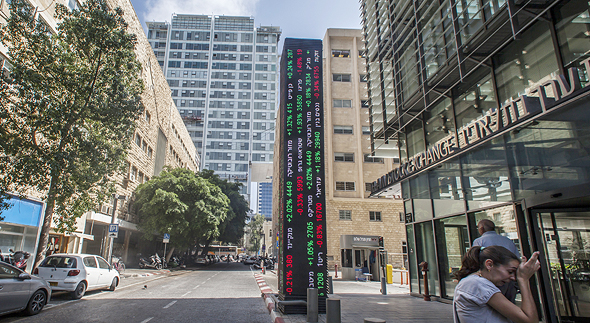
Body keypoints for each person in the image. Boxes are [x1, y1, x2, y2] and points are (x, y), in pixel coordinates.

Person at [453, 246, 540, 323]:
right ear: (489, 265)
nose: (513, 278)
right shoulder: (478, 284)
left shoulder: (472, 282)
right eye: (510, 271)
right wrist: (523, 279)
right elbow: (530, 320)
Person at [473, 219, 519, 302]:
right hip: (509, 279)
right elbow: (517, 259)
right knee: (510, 304)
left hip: (491, 280)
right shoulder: (507, 240)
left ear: (482, 229)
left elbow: (475, 260)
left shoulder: (479, 241)